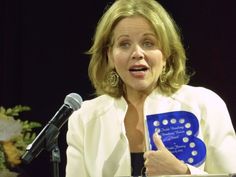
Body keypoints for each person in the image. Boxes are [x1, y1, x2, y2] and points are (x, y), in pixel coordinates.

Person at [65, 0, 236, 176]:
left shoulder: (205, 105)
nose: (137, 53)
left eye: (148, 43)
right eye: (124, 44)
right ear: (110, 55)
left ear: (166, 53)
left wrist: (183, 172)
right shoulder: (84, 119)